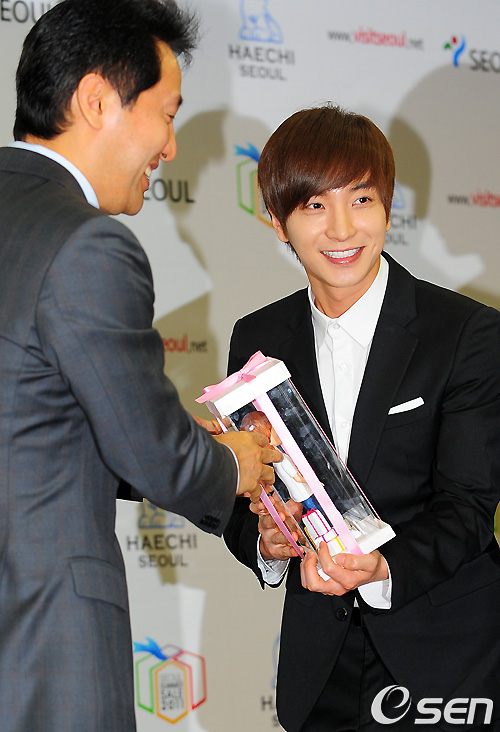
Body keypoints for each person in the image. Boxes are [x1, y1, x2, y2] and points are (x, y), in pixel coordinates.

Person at [0, 1, 279, 731]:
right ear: (97, 101)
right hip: (42, 645)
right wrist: (235, 461)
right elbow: (155, 452)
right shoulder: (87, 245)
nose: (171, 148)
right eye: (167, 114)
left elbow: (36, 420)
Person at [223, 105, 500, 731]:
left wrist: (382, 565)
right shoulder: (258, 338)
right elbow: (248, 494)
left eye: (362, 199)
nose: (343, 228)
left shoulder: (466, 333)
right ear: (278, 221)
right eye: (314, 205)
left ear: (389, 208)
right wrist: (266, 541)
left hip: (446, 660)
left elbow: (468, 506)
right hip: (318, 665)